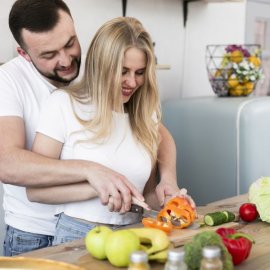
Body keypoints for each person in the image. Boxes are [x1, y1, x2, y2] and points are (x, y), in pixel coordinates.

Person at [0, 0, 185, 255]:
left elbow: (156, 135)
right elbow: (6, 163)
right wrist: (93, 174)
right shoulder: (10, 83)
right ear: (25, 53)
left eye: (69, 43)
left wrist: (168, 182)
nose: (66, 60)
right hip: (33, 229)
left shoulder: (102, 63)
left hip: (127, 231)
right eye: (49, 54)